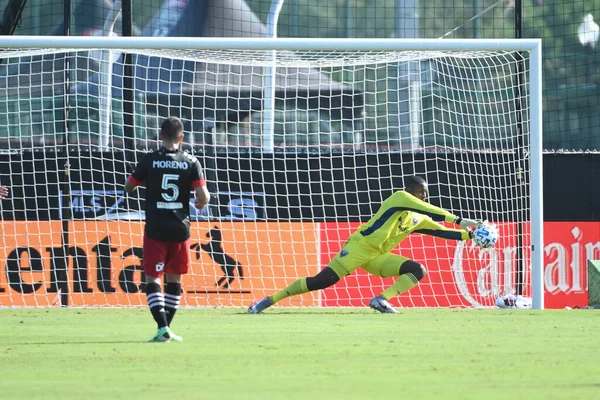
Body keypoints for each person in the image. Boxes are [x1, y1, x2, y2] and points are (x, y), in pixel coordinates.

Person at [248, 175, 483, 314]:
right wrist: (459, 220)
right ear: (410, 190)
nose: (423, 197)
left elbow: (441, 232)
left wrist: (471, 237)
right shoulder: (399, 197)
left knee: (417, 269)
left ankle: (381, 299)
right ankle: (269, 300)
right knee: (322, 281)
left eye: (425, 194)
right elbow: (431, 210)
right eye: (421, 193)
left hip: (379, 256)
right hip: (359, 247)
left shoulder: (417, 218)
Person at [125, 116, 210, 342]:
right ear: (182, 137)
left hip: (156, 228)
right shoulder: (191, 161)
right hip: (180, 228)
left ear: (160, 136)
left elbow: (129, 187)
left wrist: (147, 180)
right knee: (175, 281)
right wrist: (201, 202)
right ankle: (166, 329)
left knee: (152, 279)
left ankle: (162, 328)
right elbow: (204, 197)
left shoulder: (149, 159)